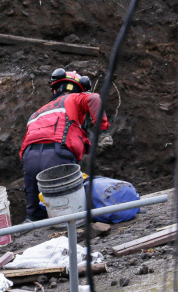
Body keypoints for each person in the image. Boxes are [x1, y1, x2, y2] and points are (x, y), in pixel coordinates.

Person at [18, 69, 111, 222]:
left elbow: (32, 140)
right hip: (58, 154)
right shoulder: (74, 98)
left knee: (34, 214)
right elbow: (94, 98)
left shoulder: (37, 113)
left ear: (55, 89)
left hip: (30, 157)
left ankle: (31, 231)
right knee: (70, 208)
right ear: (80, 90)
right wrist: (102, 131)